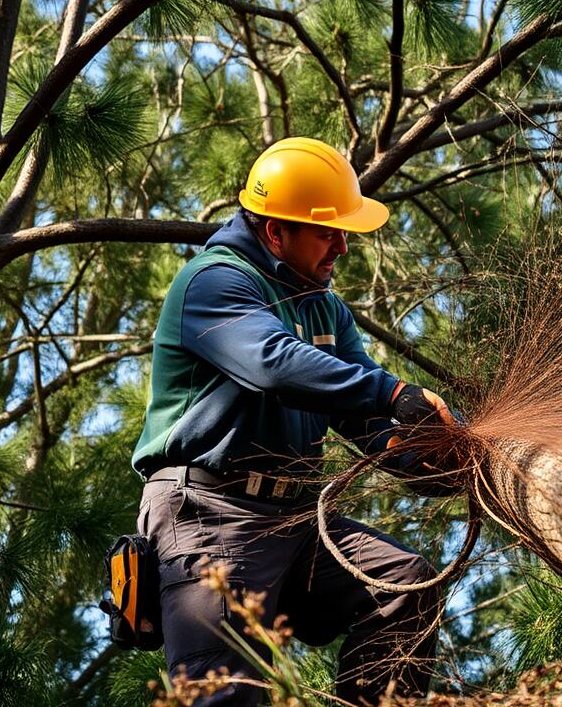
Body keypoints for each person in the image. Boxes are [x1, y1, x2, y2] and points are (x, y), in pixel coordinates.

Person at [131, 136, 459, 705]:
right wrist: (396, 392)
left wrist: (426, 458)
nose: (342, 248)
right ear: (275, 231)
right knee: (226, 693)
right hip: (211, 512)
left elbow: (360, 415)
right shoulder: (214, 282)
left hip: (293, 518)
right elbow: (274, 365)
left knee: (405, 586)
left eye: (344, 232)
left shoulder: (325, 308)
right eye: (327, 232)